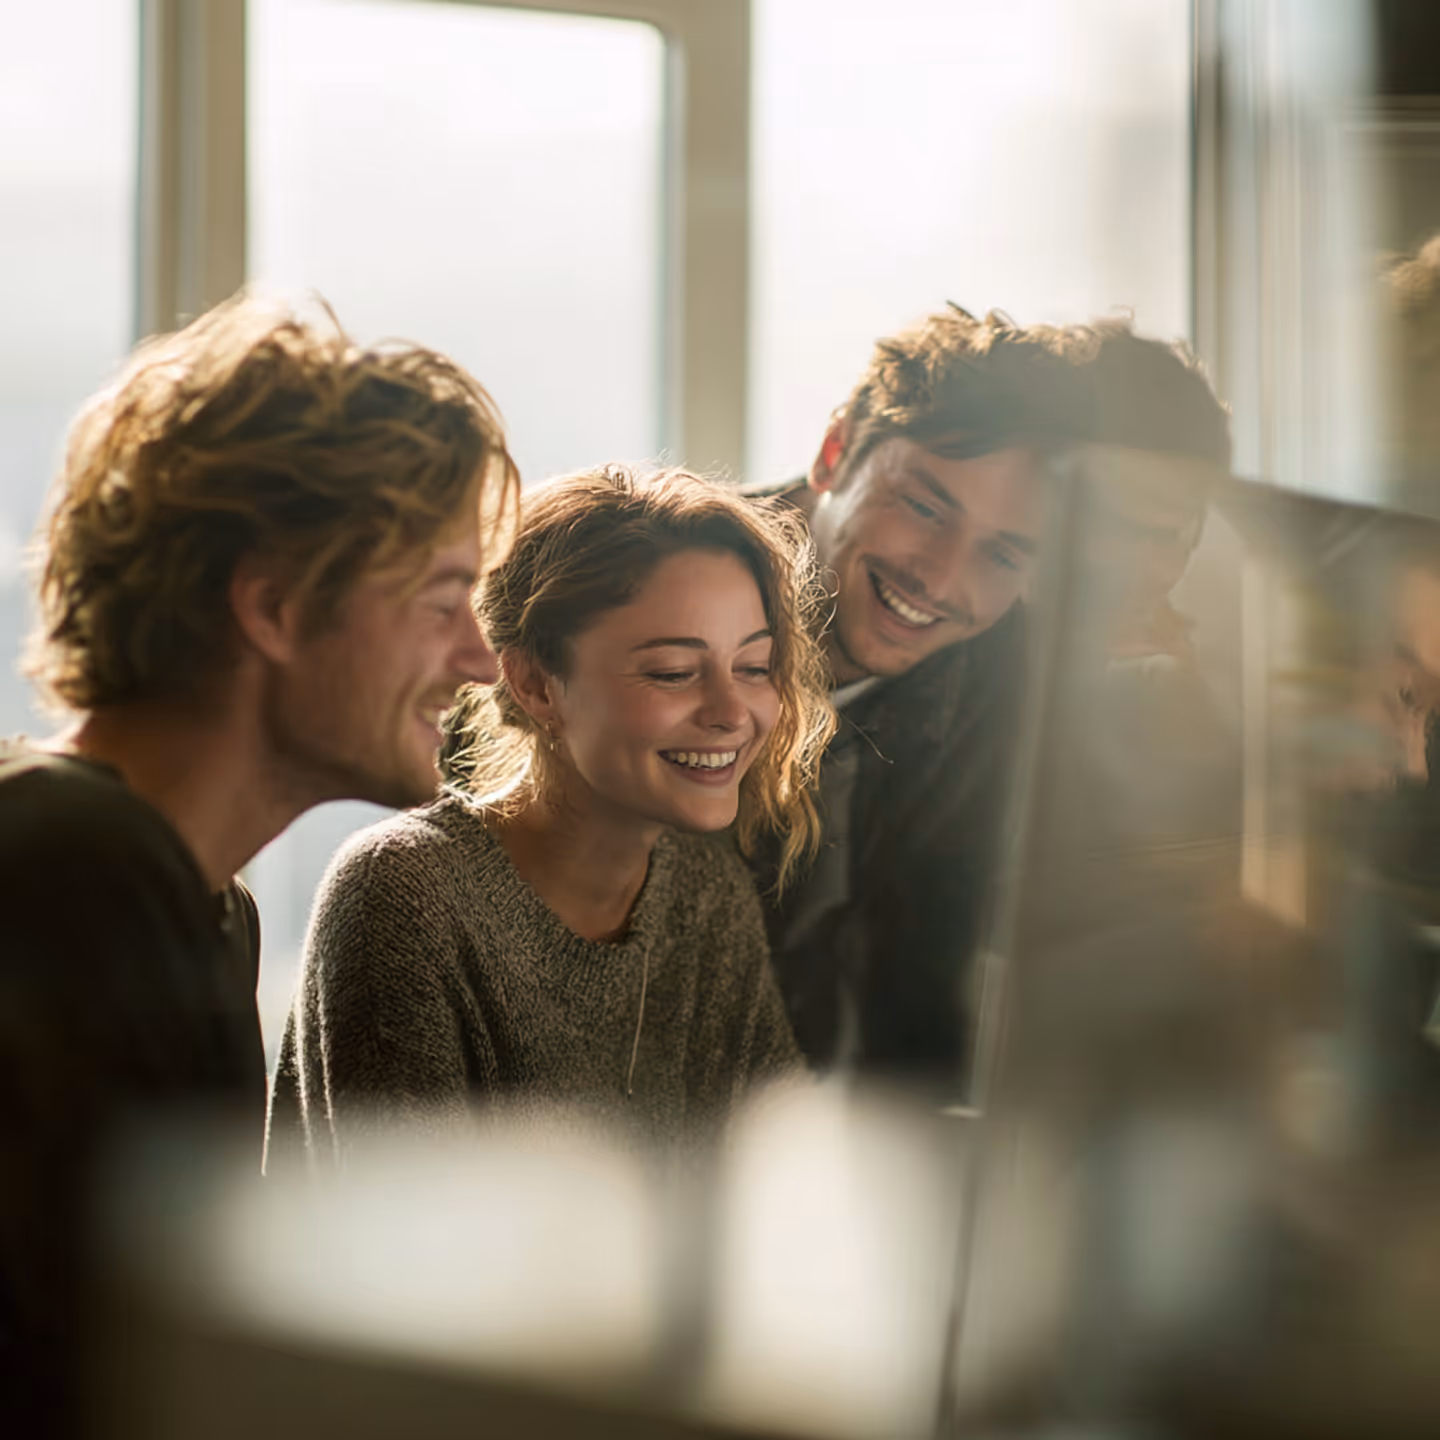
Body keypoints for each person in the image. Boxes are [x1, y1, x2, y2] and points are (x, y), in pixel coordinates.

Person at [0, 295, 518, 1434]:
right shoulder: (77, 870)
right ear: (275, 606)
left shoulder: (192, 899)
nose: (479, 656)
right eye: (442, 601)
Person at [268, 464, 834, 1161]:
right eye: (672, 672)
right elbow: (415, 1251)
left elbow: (785, 1193)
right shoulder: (404, 894)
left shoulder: (705, 892)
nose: (730, 713)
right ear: (536, 684)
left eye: (754, 667)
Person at [749, 306, 1232, 1092]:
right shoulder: (669, 603)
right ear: (835, 451)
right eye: (926, 507)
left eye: (1005, 551)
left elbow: (928, 996)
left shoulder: (1001, 674)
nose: (939, 578)